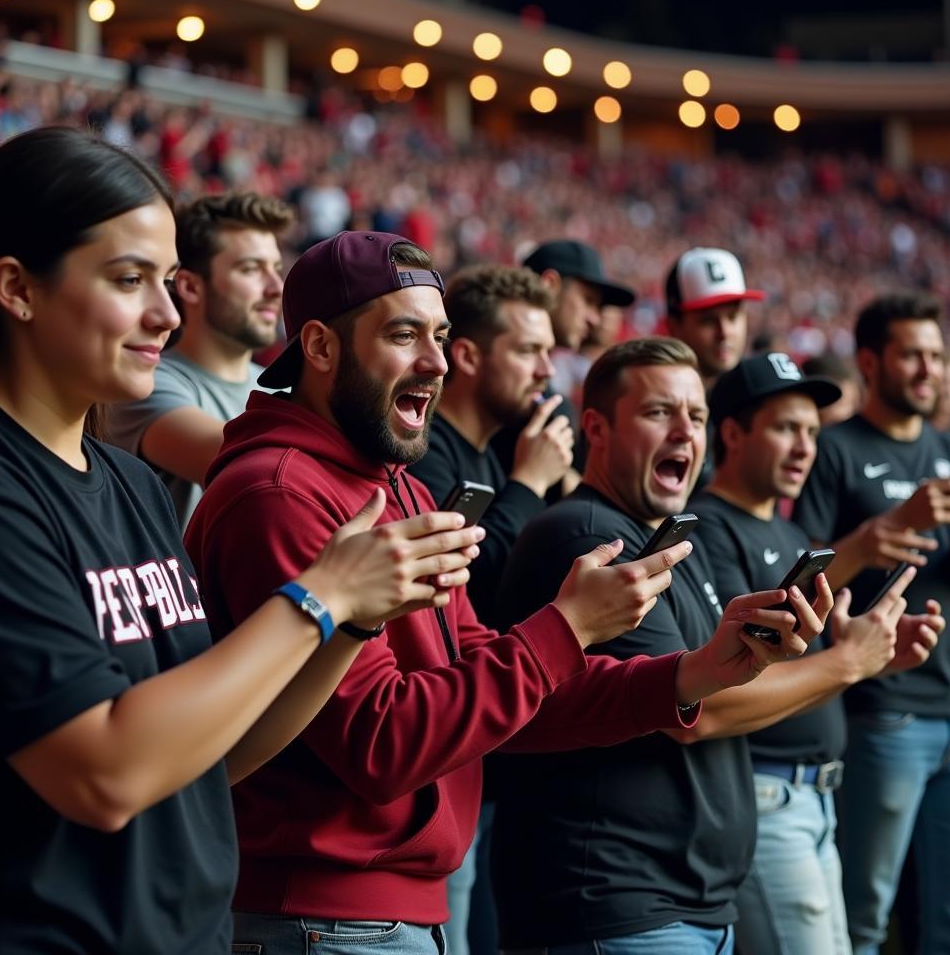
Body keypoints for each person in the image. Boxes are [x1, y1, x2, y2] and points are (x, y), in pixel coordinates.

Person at [183, 231, 806, 955]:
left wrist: (690, 674)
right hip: (320, 919)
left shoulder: (398, 482)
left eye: (442, 336)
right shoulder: (280, 493)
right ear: (319, 347)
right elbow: (380, 742)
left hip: (389, 916)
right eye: (404, 334)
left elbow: (489, 675)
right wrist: (565, 628)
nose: (437, 362)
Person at [0, 129, 485, 954]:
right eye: (130, 280)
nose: (167, 312)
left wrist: (359, 616)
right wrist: (319, 599)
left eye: (167, 281)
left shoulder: (125, 482)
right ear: (17, 288)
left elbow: (219, 751)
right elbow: (106, 771)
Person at [487, 337, 829, 955]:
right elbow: (693, 718)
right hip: (615, 909)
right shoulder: (590, 537)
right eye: (657, 413)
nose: (684, 432)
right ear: (596, 427)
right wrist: (849, 665)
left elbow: (705, 686)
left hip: (674, 908)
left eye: (695, 417)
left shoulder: (665, 535)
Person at [689, 352, 943, 955]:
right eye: (784, 428)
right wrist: (850, 660)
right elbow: (725, 690)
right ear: (731, 434)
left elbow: (806, 674)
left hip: (817, 801)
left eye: (811, 431)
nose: (805, 448)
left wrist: (875, 653)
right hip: (766, 799)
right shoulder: (709, 531)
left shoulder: (791, 533)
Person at [409, 264, 573, 955]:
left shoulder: (495, 451)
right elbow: (470, 584)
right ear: (468, 356)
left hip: (489, 741)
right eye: (530, 350)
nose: (548, 369)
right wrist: (530, 485)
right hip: (434, 746)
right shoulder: (421, 451)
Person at [793, 293, 950, 955]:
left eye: (935, 355)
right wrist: (893, 528)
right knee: (863, 919)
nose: (927, 369)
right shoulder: (831, 452)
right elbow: (799, 578)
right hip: (882, 715)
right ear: (870, 361)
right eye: (911, 356)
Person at [107, 191, 291, 526]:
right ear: (190, 287)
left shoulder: (285, 390)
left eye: (276, 269)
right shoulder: (147, 382)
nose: (276, 287)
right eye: (251, 269)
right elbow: (257, 467)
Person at [490, 240, 636, 492]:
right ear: (550, 285)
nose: (595, 319)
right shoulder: (498, 390)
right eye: (588, 300)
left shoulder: (554, 402)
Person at [665, 247, 765, 490]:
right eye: (708, 320)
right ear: (674, 325)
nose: (725, 333)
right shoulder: (656, 405)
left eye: (733, 317)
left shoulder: (757, 399)